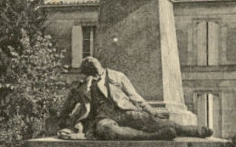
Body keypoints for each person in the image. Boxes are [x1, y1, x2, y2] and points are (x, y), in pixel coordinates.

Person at [76, 56, 213, 141]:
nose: (93, 66)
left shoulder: (117, 76)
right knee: (107, 131)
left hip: (125, 111)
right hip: (105, 118)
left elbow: (134, 96)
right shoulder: (85, 86)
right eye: (90, 68)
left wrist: (151, 111)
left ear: (99, 65)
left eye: (94, 64)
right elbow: (80, 108)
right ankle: (154, 137)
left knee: (153, 121)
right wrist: (72, 125)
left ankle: (191, 130)